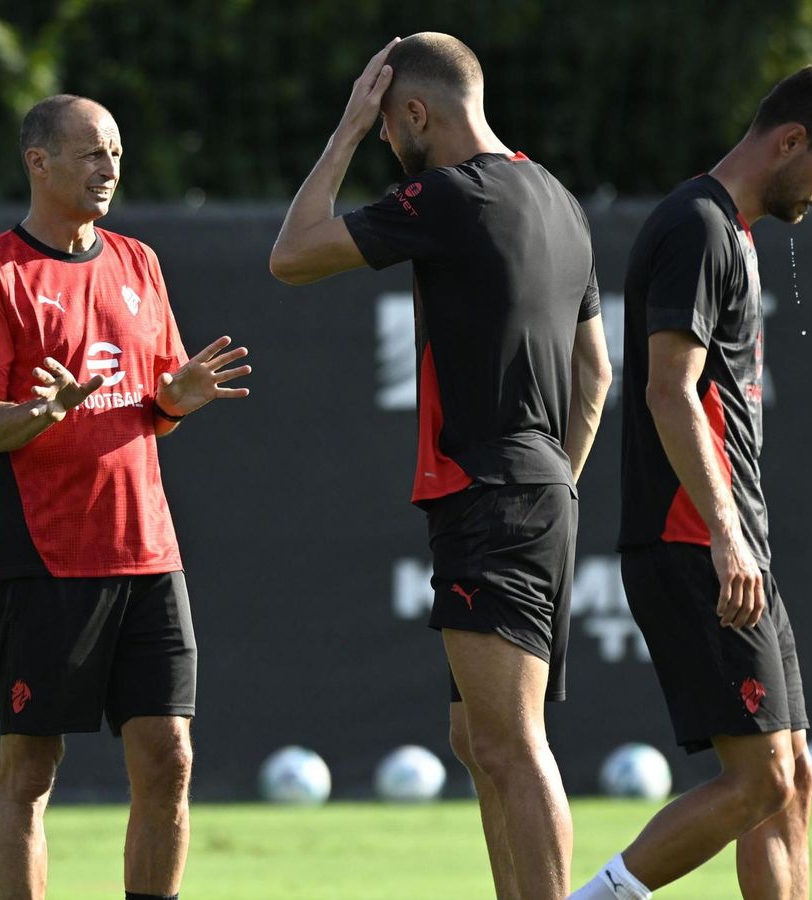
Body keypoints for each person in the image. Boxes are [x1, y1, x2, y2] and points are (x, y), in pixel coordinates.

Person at [269, 33, 611, 899]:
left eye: (388, 124)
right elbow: (596, 372)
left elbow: (292, 255)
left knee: (510, 741)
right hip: (537, 488)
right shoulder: (558, 196)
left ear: (415, 111)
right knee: (477, 738)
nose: (387, 141)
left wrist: (342, 133)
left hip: (492, 492)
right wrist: (557, 480)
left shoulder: (449, 196)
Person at [569, 63, 812, 900]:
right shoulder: (698, 227)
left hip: (730, 540)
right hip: (697, 541)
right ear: (789, 142)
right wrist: (725, 533)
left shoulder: (732, 231)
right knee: (758, 781)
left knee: (792, 779)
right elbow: (667, 388)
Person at [0, 94, 251, 900]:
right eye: (90, 153)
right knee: (32, 767)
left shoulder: (139, 263)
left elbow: (154, 417)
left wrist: (177, 400)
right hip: (44, 558)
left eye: (115, 152)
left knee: (169, 758)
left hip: (149, 554)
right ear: (37, 162)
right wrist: (42, 412)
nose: (109, 168)